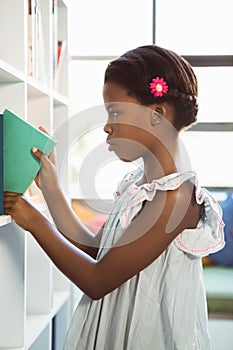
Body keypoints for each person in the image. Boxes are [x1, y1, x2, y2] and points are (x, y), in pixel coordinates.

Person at [4, 45, 225, 350]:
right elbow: (98, 251)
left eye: (116, 112)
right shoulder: (142, 185)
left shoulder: (174, 198)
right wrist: (52, 190)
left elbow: (97, 281)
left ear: (157, 115)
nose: (107, 126)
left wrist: (36, 222)